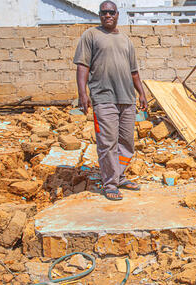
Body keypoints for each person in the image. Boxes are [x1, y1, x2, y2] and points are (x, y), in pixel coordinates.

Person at [73, 0, 147, 201]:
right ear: (99, 14)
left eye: (111, 12)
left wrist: (141, 93)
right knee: (107, 142)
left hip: (127, 99)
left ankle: (119, 175)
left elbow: (134, 72)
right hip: (104, 98)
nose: (108, 15)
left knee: (127, 142)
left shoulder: (125, 40)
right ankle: (110, 183)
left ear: (117, 14)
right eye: (104, 12)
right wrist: (83, 93)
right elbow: (82, 66)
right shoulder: (91, 36)